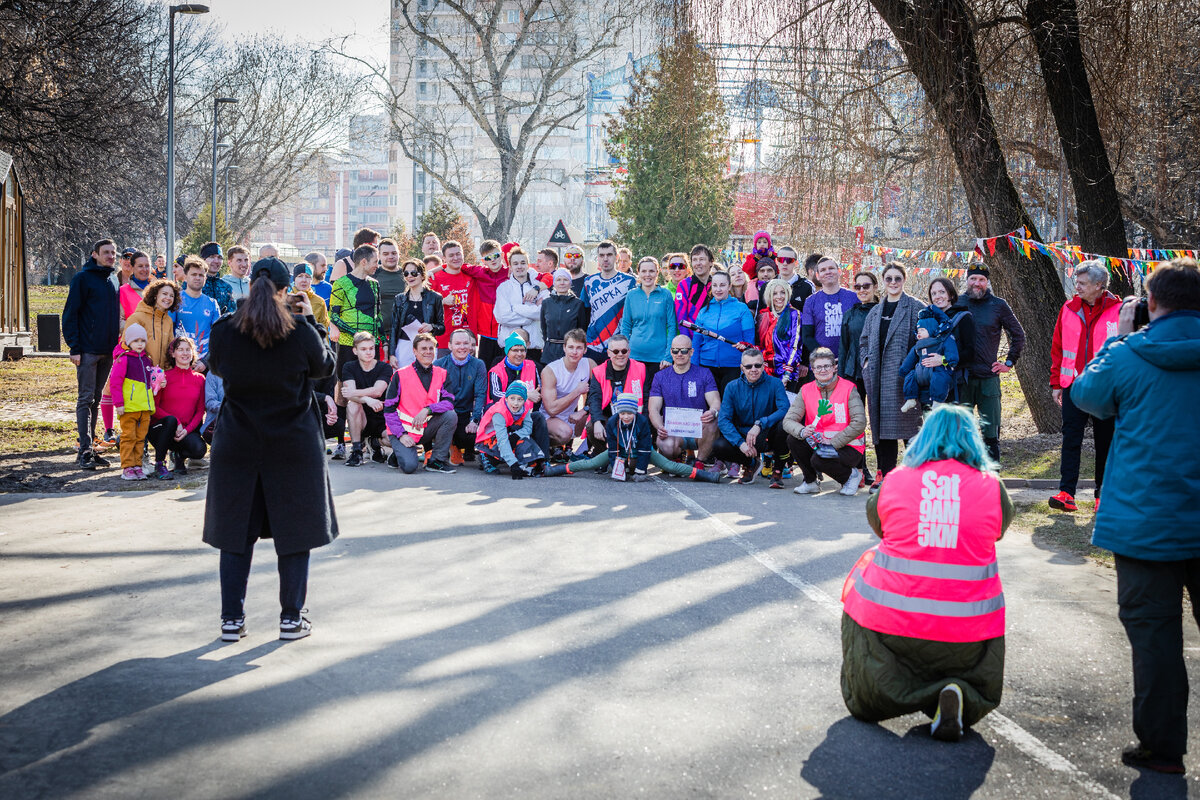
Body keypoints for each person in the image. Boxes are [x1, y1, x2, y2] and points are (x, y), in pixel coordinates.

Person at [1070, 257, 1200, 774]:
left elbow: (1086, 396)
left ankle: (1162, 748)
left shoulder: (1126, 354)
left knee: (1155, 638)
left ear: (1150, 303)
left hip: (1148, 521)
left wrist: (1118, 338)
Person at [840, 404, 1011, 742]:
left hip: (892, 623)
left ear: (924, 437)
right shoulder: (992, 487)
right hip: (968, 629)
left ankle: (877, 691)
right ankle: (958, 692)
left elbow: (879, 525)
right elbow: (998, 529)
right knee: (969, 663)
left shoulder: (897, 480)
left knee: (863, 580)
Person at [203, 256, 337, 642]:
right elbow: (324, 368)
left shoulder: (226, 330)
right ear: (284, 290)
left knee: (235, 532)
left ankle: (232, 619)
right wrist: (309, 318)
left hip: (238, 442)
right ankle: (291, 618)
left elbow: (219, 367)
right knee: (294, 531)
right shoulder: (299, 332)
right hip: (292, 442)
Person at [1048, 259, 1121, 512]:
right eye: (1076, 281)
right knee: (1071, 439)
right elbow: (1057, 348)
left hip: (1107, 389)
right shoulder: (1068, 308)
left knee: (1106, 441)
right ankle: (1066, 492)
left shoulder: (1120, 310)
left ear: (1100, 285)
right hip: (1074, 386)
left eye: (1082, 283)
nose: (1076, 286)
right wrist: (1056, 382)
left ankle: (1103, 494)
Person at [546, 392, 721, 482]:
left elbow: (645, 449)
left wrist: (640, 471)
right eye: (623, 413)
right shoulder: (613, 421)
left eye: (630, 413)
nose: (626, 416)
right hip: (621, 452)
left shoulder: (642, 422)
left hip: (641, 451)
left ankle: (705, 476)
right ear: (618, 412)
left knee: (670, 466)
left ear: (635, 412)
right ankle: (555, 471)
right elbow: (613, 449)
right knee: (590, 463)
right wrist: (617, 469)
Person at [859, 262, 923, 489]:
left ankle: (916, 477)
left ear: (904, 280)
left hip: (905, 380)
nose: (893, 283)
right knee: (882, 429)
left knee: (909, 428)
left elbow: (924, 341)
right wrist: (866, 362)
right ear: (883, 282)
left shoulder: (915, 307)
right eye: (889, 279)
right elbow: (864, 341)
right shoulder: (876, 311)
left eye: (897, 278)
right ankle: (887, 475)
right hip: (877, 379)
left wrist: (915, 368)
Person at [957, 264, 1025, 462]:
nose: (977, 283)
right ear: (967, 280)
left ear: (987, 282)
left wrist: (1009, 362)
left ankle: (992, 482)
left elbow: (1018, 335)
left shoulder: (998, 305)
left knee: (991, 434)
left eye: (981, 280)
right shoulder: (957, 303)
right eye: (973, 279)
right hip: (962, 380)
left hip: (988, 380)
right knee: (963, 434)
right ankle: (964, 480)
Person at [63, 240, 120, 469]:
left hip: (107, 351)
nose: (110, 256)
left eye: (113, 253)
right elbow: (70, 314)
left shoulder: (113, 279)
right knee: (85, 399)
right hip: (86, 351)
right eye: (106, 252)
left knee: (96, 400)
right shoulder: (82, 279)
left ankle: (91, 449)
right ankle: (84, 449)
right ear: (94, 254)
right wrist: (74, 348)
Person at [784, 347, 868, 495]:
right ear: (812, 369)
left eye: (827, 366)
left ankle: (851, 476)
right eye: (818, 367)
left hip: (848, 446)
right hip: (819, 442)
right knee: (793, 439)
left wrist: (834, 442)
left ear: (834, 367)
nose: (823, 370)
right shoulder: (805, 389)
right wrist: (802, 431)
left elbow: (859, 422)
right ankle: (810, 482)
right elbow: (788, 421)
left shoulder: (849, 388)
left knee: (819, 458)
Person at [329, 243, 382, 459]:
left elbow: (377, 316)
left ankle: (372, 441)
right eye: (375, 261)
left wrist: (380, 340)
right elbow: (333, 315)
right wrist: (357, 333)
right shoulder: (341, 284)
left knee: (370, 388)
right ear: (363, 261)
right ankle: (343, 442)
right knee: (344, 390)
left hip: (370, 344)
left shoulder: (375, 285)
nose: (377, 265)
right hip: (346, 343)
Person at [714, 347, 791, 486]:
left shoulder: (775, 384)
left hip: (768, 433)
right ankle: (751, 464)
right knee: (719, 446)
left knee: (784, 425)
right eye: (748, 366)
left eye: (757, 365)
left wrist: (761, 423)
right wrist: (740, 443)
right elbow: (724, 420)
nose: (753, 369)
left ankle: (778, 470)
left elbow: (784, 409)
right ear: (742, 368)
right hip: (744, 436)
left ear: (763, 366)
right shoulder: (732, 387)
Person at [383, 332, 458, 474]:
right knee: (410, 467)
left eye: (431, 348)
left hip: (425, 427)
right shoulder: (400, 374)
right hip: (403, 430)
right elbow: (389, 409)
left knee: (450, 415)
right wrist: (401, 435)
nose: (428, 352)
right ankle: (399, 452)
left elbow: (449, 402)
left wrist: (428, 410)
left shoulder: (442, 373)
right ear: (415, 351)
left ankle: (437, 461)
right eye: (423, 349)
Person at [648, 334, 722, 466]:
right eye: (675, 350)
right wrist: (659, 427)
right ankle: (675, 459)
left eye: (684, 351)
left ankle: (700, 462)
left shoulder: (704, 373)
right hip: (673, 431)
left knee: (714, 421)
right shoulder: (660, 377)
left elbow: (715, 402)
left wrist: (712, 412)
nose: (679, 354)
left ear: (691, 352)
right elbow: (653, 408)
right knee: (666, 444)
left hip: (698, 431)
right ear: (671, 352)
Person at [148, 335, 207, 479]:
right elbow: (154, 407)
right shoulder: (163, 376)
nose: (185, 353)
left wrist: (186, 431)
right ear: (173, 353)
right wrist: (177, 422)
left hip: (185, 432)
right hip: (161, 429)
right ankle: (160, 464)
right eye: (180, 350)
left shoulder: (200, 379)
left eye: (188, 350)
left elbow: (200, 411)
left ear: (193, 353)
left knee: (199, 449)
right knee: (171, 421)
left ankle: (179, 456)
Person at [109, 322, 160, 480]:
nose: (140, 344)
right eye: (136, 341)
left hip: (144, 408)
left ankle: (138, 465)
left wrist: (159, 382)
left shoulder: (146, 361)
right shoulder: (123, 359)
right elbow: (115, 382)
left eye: (142, 341)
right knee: (128, 437)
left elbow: (150, 382)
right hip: (129, 408)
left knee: (140, 439)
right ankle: (127, 467)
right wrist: (119, 404)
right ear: (129, 342)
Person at [692, 270, 755, 394]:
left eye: (722, 285)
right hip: (706, 366)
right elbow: (696, 343)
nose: (718, 289)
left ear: (729, 286)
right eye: (715, 285)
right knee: (711, 408)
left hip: (733, 366)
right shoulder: (704, 311)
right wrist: (695, 369)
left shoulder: (741, 308)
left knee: (729, 408)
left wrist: (746, 369)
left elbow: (749, 341)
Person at [620, 256, 677, 390]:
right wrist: (624, 351)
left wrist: (668, 356)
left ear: (657, 273)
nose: (647, 275)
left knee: (656, 397)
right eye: (644, 271)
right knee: (636, 397)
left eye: (651, 271)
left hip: (659, 358)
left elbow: (672, 326)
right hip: (634, 356)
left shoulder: (665, 295)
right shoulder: (631, 295)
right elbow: (626, 325)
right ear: (638, 273)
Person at [586, 334, 647, 456]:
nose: (620, 354)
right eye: (616, 351)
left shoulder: (640, 368)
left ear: (629, 352)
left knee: (633, 466)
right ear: (608, 353)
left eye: (624, 351)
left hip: (633, 417)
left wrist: (642, 424)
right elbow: (594, 399)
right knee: (592, 427)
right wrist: (597, 421)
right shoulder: (598, 371)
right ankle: (605, 455)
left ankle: (632, 454)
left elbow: (646, 398)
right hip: (609, 417)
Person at [434, 328, 488, 463]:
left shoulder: (478, 364)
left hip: (465, 415)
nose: (462, 347)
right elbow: (434, 396)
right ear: (449, 346)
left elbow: (480, 395)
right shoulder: (439, 365)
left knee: (471, 437)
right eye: (458, 344)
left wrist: (475, 420)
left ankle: (457, 446)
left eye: (465, 343)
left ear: (471, 345)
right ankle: (437, 448)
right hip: (445, 414)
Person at [340, 331, 393, 467]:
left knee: (392, 439)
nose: (368, 352)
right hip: (361, 417)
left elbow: (377, 391)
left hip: (380, 413)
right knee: (352, 405)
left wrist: (354, 393)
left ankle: (375, 442)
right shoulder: (349, 367)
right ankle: (357, 451)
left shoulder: (384, 367)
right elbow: (350, 396)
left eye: (371, 348)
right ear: (355, 351)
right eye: (363, 349)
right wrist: (367, 400)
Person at [476, 381, 547, 478]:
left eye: (520, 399)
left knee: (523, 440)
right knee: (501, 449)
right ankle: (485, 456)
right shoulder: (499, 412)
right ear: (506, 398)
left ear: (524, 400)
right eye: (512, 398)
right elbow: (502, 440)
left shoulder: (525, 407)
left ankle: (541, 461)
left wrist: (516, 435)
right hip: (490, 438)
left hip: (509, 431)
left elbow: (528, 427)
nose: (516, 403)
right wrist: (513, 464)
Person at [541, 328, 595, 449]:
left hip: (572, 417)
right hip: (549, 418)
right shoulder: (551, 370)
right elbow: (551, 410)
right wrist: (577, 391)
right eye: (571, 347)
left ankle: (592, 453)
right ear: (564, 348)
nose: (574, 352)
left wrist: (583, 411)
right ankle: (542, 447)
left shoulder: (589, 364)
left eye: (579, 348)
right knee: (565, 433)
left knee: (601, 418)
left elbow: (603, 392)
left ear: (585, 349)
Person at [581, 240, 636, 360]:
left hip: (618, 346)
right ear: (598, 258)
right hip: (593, 344)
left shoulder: (629, 281)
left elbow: (634, 313)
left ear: (616, 257)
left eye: (609, 255)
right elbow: (583, 312)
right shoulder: (588, 282)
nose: (605, 259)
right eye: (601, 255)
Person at [495, 247, 549, 363]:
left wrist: (516, 308)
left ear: (528, 265)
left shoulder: (539, 287)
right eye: (515, 263)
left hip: (533, 347)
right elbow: (503, 317)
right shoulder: (503, 288)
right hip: (509, 347)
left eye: (523, 263)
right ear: (510, 267)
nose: (519, 266)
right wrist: (530, 318)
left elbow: (544, 312)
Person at [899, 308, 959, 412]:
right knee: (910, 376)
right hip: (920, 372)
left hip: (937, 370)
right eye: (918, 331)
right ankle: (910, 398)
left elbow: (952, 353)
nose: (919, 333)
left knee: (939, 378)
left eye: (922, 330)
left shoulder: (941, 341)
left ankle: (937, 401)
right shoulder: (918, 345)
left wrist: (949, 359)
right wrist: (904, 369)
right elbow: (910, 358)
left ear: (931, 329)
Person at [389, 258, 445, 368]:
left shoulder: (435, 298)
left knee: (427, 381)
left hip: (427, 346)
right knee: (404, 381)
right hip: (404, 345)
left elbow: (441, 327)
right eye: (406, 273)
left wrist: (431, 327)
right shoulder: (399, 299)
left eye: (414, 273)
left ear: (423, 275)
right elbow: (394, 328)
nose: (409, 276)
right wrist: (391, 354)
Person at [461, 239, 510, 366]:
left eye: (496, 255)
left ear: (502, 255)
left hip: (505, 332)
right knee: (484, 368)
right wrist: (434, 270)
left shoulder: (511, 272)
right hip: (485, 335)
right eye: (488, 258)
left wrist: (537, 288)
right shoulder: (479, 272)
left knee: (504, 369)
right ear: (483, 261)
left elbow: (542, 276)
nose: (493, 260)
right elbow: (456, 264)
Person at [802, 257, 858, 362]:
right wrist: (825, 357)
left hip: (849, 361)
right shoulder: (810, 301)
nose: (827, 272)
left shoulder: (854, 298)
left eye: (831, 268)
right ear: (817, 276)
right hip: (821, 363)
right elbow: (807, 336)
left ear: (839, 271)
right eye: (823, 270)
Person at [176, 256, 221, 373]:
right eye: (193, 274)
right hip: (179, 362)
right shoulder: (175, 300)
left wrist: (206, 362)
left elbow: (218, 337)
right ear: (185, 277)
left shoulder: (212, 303)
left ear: (205, 278)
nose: (197, 278)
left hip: (203, 364)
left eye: (201, 275)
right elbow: (168, 331)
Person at [429, 240, 472, 354]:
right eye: (451, 255)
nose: (455, 258)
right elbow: (425, 306)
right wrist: (442, 301)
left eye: (458, 254)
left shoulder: (471, 276)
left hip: (467, 340)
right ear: (444, 258)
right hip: (444, 340)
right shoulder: (435, 278)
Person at [125, 278, 179, 369]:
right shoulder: (137, 318)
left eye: (171, 296)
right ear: (155, 295)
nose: (168, 298)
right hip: (139, 375)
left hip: (160, 377)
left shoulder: (168, 321)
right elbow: (125, 349)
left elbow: (170, 350)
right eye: (164, 294)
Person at [540, 267, 589, 366]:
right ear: (554, 283)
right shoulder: (546, 303)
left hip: (570, 351)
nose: (562, 283)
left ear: (570, 283)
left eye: (565, 280)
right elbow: (544, 328)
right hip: (550, 351)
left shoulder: (578, 304)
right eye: (558, 280)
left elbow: (582, 329)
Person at [488, 332, 542, 405]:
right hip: (502, 412)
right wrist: (526, 395)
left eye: (522, 350)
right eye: (515, 350)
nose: (519, 354)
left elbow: (540, 391)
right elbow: (496, 395)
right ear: (507, 352)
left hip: (528, 412)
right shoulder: (496, 371)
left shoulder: (533, 366)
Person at [374, 238, 406, 355]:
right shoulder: (373, 274)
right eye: (385, 254)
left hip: (404, 335)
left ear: (399, 254)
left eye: (394, 253)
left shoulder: (408, 274)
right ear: (379, 256)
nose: (390, 257)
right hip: (379, 335)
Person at [674, 245, 715, 328]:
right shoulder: (684, 285)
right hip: (692, 336)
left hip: (714, 335)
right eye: (695, 260)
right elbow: (681, 316)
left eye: (702, 259)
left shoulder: (717, 283)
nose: (698, 263)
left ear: (711, 262)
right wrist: (687, 338)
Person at [118, 250, 153, 321]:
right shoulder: (122, 291)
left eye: (147, 266)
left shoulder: (158, 289)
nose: (144, 269)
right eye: (140, 266)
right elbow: (119, 321)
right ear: (132, 268)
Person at [199, 242, 233, 314]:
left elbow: (231, 314)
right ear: (203, 259)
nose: (216, 261)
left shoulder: (226, 287)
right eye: (212, 257)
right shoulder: (195, 284)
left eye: (219, 258)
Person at [292, 263, 329, 328]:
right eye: (300, 276)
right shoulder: (286, 299)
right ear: (294, 279)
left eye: (307, 277)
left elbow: (324, 327)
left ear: (311, 280)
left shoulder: (319, 302)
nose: (304, 280)